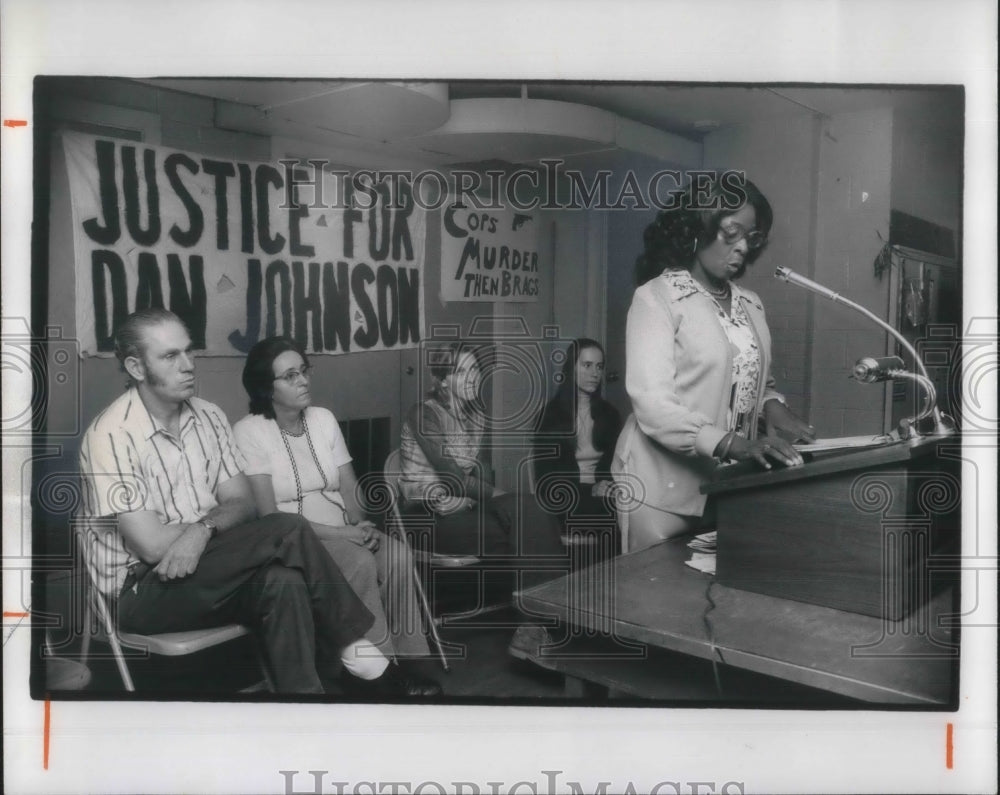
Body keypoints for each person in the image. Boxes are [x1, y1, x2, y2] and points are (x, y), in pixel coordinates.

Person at [76, 308, 439, 696]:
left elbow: (242, 503)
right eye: (170, 356)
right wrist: (210, 530)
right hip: (142, 591)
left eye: (189, 352)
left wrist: (203, 530)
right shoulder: (109, 436)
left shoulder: (209, 416)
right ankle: (365, 660)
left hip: (210, 565)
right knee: (288, 526)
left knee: (283, 581)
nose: (187, 366)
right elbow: (150, 546)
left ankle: (304, 703)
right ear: (135, 366)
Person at [612, 175, 816, 552]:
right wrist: (730, 443)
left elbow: (754, 379)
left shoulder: (751, 303)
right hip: (661, 486)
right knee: (658, 598)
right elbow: (653, 406)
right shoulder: (657, 297)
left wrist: (776, 409)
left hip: (726, 482)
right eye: (730, 233)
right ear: (698, 226)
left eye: (750, 239)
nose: (741, 248)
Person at [233, 336, 435, 673]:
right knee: (359, 562)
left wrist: (360, 525)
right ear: (265, 388)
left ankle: (413, 661)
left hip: (346, 531)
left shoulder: (323, 419)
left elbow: (349, 485)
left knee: (398, 555)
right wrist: (344, 535)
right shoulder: (249, 431)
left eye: (304, 371)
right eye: (290, 376)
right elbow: (269, 517)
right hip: (297, 543)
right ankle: (380, 672)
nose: (303, 380)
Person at [398, 343, 566, 574]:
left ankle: (542, 601)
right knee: (525, 530)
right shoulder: (424, 414)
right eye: (460, 372)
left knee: (534, 509)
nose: (472, 378)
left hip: (464, 507)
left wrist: (477, 501)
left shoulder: (476, 416)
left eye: (475, 369)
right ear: (443, 380)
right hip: (426, 516)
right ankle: (544, 602)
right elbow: (454, 479)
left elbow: (482, 473)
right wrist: (503, 497)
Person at [534, 338, 622, 549]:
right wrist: (590, 490)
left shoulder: (610, 415)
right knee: (613, 513)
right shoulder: (549, 416)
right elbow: (546, 481)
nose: (595, 373)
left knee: (628, 507)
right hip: (566, 499)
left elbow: (615, 466)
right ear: (571, 368)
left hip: (604, 496)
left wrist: (610, 487)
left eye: (599, 367)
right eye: (587, 365)